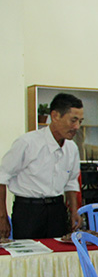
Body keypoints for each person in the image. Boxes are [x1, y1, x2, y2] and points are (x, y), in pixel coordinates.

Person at [0, 93, 84, 239]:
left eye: (80, 122)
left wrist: (74, 212)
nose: (76, 127)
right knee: (27, 259)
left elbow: (71, 183)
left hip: (57, 210)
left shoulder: (72, 148)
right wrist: (2, 216)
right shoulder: (27, 143)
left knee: (58, 257)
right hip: (28, 211)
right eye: (73, 120)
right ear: (55, 116)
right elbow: (2, 177)